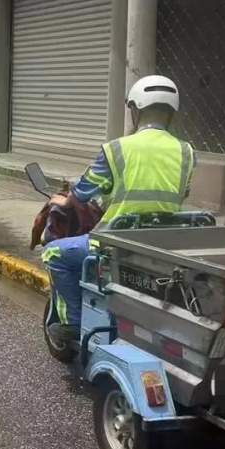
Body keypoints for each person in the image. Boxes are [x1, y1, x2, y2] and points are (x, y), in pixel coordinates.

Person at [42, 75, 195, 347]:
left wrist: (64, 201)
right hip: (161, 247)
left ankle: (72, 325)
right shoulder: (187, 151)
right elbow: (181, 193)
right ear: (171, 112)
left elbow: (83, 191)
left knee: (54, 253)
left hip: (116, 244)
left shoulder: (116, 149)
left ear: (136, 110)